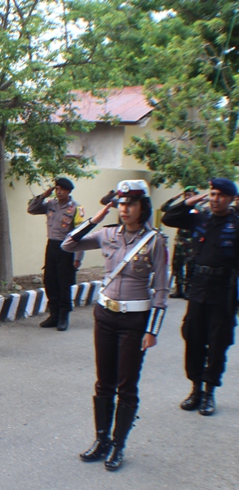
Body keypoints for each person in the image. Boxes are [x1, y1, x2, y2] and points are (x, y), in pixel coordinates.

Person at [62, 180, 168, 471]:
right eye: (121, 203)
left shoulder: (155, 241)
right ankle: (101, 440)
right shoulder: (107, 234)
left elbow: (161, 289)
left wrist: (152, 330)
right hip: (105, 316)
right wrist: (95, 218)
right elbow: (68, 243)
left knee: (126, 384)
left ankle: (119, 444)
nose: (124, 209)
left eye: (130, 203)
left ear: (142, 207)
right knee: (103, 381)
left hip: (135, 320)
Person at [162, 178, 239, 417]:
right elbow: (169, 218)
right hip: (198, 289)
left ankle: (209, 393)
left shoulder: (236, 224)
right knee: (193, 339)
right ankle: (195, 389)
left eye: (220, 195)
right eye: (212, 194)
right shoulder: (199, 217)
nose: (215, 199)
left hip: (223, 292)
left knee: (217, 344)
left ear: (231, 199)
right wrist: (192, 200)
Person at [28, 178, 86, 331]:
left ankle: (63, 316)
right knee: (50, 281)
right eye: (56, 188)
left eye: (62, 189)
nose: (58, 191)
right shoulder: (50, 204)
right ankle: (53, 315)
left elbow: (80, 234)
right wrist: (44, 195)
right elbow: (31, 209)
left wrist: (78, 257)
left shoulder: (76, 208)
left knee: (64, 283)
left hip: (67, 248)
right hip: (52, 246)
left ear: (69, 191)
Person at [158, 186, 199, 298]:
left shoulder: (197, 208)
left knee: (190, 266)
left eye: (190, 195)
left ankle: (188, 290)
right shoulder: (180, 208)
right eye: (185, 195)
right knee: (177, 265)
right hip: (180, 241)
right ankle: (179, 289)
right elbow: (164, 208)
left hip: (190, 241)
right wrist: (175, 198)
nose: (187, 197)